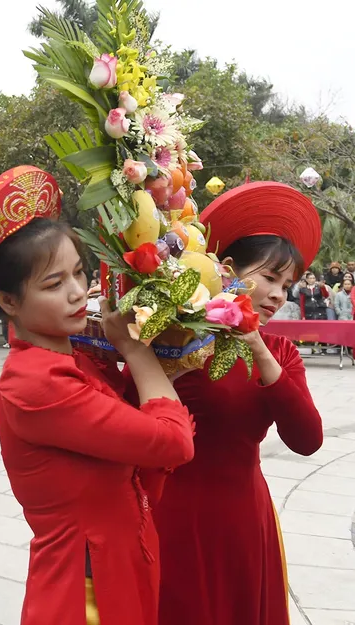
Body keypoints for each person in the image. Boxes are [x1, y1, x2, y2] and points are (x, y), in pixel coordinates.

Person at [0, 166, 195, 625]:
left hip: (122, 561)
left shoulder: (78, 357)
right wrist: (135, 349)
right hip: (88, 591)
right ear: (8, 301)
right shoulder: (33, 384)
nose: (78, 292)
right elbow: (173, 441)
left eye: (79, 273)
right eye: (53, 284)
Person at [148, 182, 325, 625]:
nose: (279, 294)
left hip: (245, 517)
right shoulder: (178, 339)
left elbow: (307, 439)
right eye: (268, 278)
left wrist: (258, 349)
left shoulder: (280, 353)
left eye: (287, 285)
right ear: (228, 269)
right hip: (175, 515)